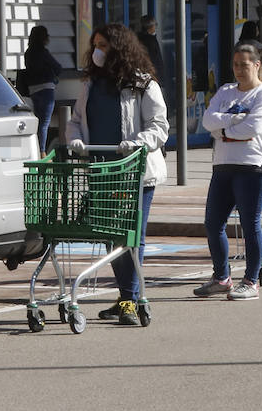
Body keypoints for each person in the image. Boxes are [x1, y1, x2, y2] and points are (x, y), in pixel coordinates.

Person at [66, 23, 168, 325]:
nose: (97, 52)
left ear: (120, 49)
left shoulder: (143, 84)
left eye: (104, 46)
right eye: (95, 45)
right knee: (112, 236)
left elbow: (159, 127)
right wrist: (75, 140)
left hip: (135, 172)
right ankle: (126, 295)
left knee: (133, 235)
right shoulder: (90, 84)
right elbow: (75, 120)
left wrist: (136, 144)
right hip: (101, 171)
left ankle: (130, 299)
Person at [195, 43, 262, 300]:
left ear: (257, 65)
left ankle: (251, 280)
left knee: (250, 223)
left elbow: (253, 128)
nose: (239, 70)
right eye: (235, 65)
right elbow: (207, 120)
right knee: (213, 223)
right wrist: (233, 122)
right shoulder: (225, 91)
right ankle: (221, 277)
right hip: (223, 166)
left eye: (244, 65)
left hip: (253, 167)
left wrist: (223, 131)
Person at [20, 25, 63, 151]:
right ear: (43, 38)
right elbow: (58, 67)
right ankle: (42, 152)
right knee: (44, 124)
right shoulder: (43, 52)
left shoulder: (28, 53)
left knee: (37, 122)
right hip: (46, 90)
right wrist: (54, 78)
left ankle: (35, 150)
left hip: (32, 90)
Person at [138, 15, 165, 89]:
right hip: (152, 76)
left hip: (147, 76)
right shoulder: (150, 41)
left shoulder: (139, 39)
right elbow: (155, 60)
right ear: (150, 27)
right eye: (155, 24)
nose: (156, 27)